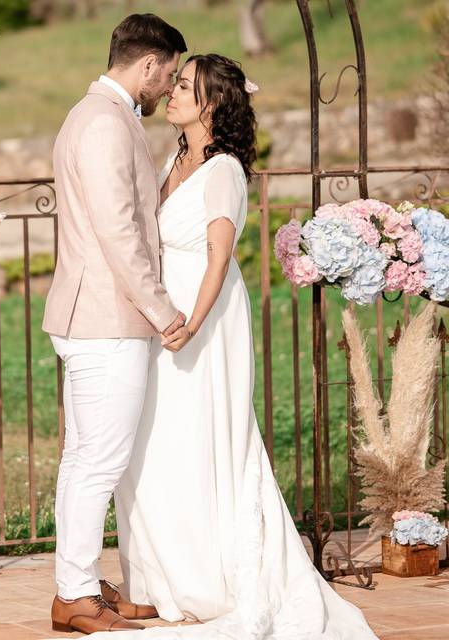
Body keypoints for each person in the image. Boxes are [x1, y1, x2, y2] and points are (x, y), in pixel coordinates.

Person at [106, 54, 380, 639]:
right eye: (175, 83)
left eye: (184, 86)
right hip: (164, 317)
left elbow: (218, 255)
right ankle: (161, 580)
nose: (172, 93)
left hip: (203, 321)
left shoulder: (224, 169)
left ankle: (213, 576)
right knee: (155, 445)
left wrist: (192, 322)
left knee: (203, 439)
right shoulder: (177, 157)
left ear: (211, 104)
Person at [41, 13, 189, 635]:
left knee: (87, 458)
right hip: (104, 318)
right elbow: (118, 231)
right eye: (171, 75)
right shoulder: (103, 121)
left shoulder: (100, 114)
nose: (169, 87)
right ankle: (73, 594)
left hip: (96, 315)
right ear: (149, 63)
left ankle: (80, 583)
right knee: (98, 461)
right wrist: (163, 311)